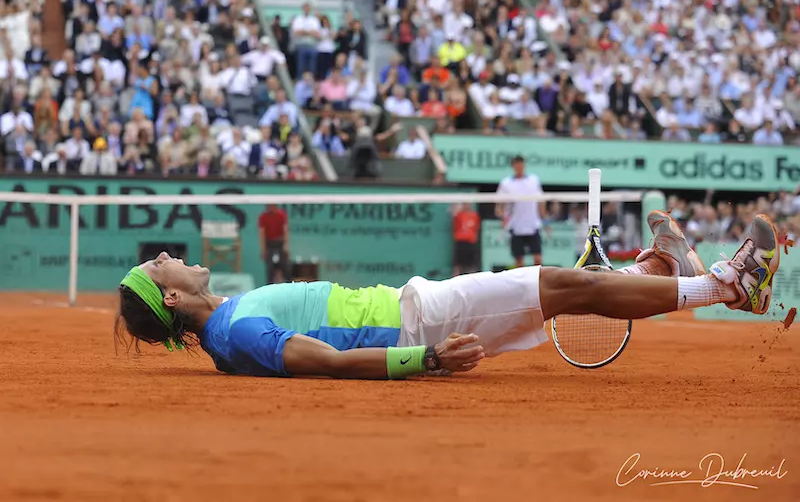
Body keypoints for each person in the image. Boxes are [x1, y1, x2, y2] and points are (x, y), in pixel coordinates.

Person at [114, 212, 778, 379]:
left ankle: (653, 278)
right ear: (170, 299)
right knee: (562, 286)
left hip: (413, 313)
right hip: (418, 323)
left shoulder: (225, 331)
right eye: (160, 265)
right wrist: (425, 362)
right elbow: (327, 362)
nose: (169, 257)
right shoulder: (236, 335)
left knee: (564, 292)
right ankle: (728, 284)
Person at [496, 155, 546, 267]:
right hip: (516, 226)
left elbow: (541, 201)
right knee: (519, 261)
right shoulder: (506, 183)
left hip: (533, 225)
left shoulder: (533, 180)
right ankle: (521, 284)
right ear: (513, 166)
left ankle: (537, 283)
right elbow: (500, 204)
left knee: (538, 259)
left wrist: (544, 219)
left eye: (521, 164)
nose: (519, 167)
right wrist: (502, 216)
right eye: (517, 164)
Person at [258, 204, 290, 284]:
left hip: (280, 243)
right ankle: (270, 286)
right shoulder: (263, 217)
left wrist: (286, 246)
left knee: (285, 266)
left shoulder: (281, 215)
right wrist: (263, 250)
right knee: (270, 268)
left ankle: (290, 285)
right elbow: (262, 234)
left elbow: (285, 231)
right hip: (269, 244)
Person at [452, 203, 480, 275]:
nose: (467, 206)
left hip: (470, 242)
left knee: (471, 265)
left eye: (469, 204)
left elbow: (476, 227)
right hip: (460, 242)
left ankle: (472, 282)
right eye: (465, 204)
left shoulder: (474, 215)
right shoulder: (459, 215)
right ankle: (454, 283)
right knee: (458, 265)